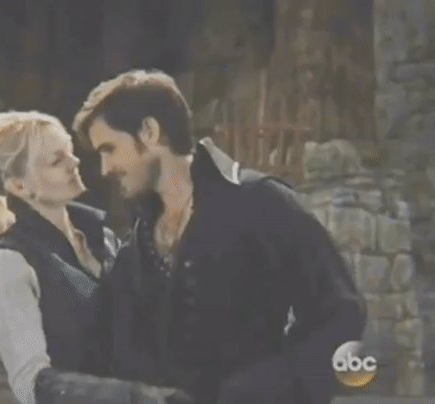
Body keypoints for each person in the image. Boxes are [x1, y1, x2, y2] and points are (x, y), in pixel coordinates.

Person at [72, 69, 367, 404]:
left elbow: (341, 313)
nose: (105, 168)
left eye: (109, 148)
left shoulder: (261, 202)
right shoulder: (135, 249)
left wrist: (266, 388)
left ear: (149, 132)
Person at [0, 110, 196, 404]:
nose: (74, 163)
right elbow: (31, 384)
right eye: (56, 160)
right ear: (19, 185)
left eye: (70, 152)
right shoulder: (8, 263)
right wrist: (141, 398)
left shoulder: (104, 239)